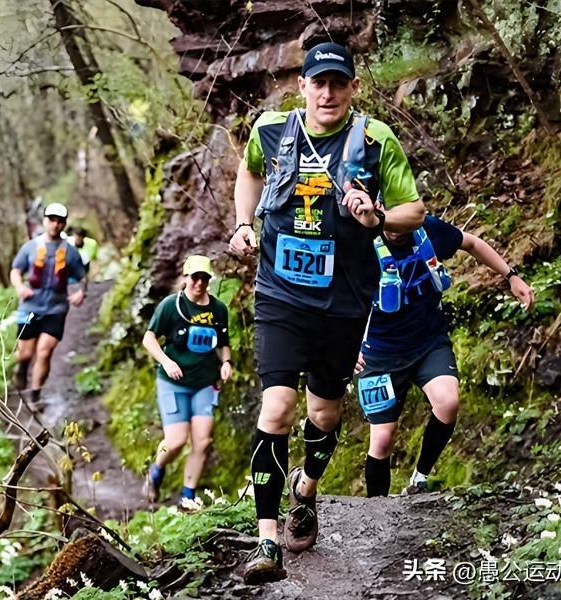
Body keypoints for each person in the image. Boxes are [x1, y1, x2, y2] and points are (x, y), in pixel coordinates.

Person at [228, 41, 426, 583]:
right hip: (280, 295)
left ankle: (307, 489)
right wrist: (243, 223)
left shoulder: (374, 140)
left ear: (353, 88)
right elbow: (248, 172)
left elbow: (414, 211)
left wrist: (378, 215)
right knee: (276, 409)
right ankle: (267, 541)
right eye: (319, 82)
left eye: (339, 83)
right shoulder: (271, 130)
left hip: (343, 304)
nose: (328, 93)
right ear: (303, 87)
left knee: (325, 415)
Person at [356, 216, 534, 497]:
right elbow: (332, 293)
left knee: (448, 402)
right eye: (390, 222)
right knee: (382, 440)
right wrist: (343, 346)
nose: (397, 230)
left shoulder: (427, 230)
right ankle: (376, 509)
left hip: (428, 343)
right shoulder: (358, 241)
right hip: (379, 355)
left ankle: (419, 478)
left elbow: (471, 243)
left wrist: (511, 276)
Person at [142, 255, 232, 508]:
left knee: (202, 441)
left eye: (204, 278)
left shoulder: (218, 309)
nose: (199, 283)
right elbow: (149, 338)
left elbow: (223, 343)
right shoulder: (171, 306)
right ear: (186, 277)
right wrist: (166, 361)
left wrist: (226, 362)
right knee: (176, 441)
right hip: (173, 383)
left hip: (205, 383)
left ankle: (188, 497)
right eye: (195, 277)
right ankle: (156, 471)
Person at [10, 203, 86, 406]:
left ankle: (35, 396)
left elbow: (82, 276)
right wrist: (19, 287)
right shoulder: (30, 247)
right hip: (29, 307)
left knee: (44, 352)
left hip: (56, 308)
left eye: (60, 221)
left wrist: (81, 292)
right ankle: (22, 367)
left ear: (64, 224)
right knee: (25, 353)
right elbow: (16, 270)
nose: (55, 225)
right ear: (44, 221)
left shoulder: (70, 252)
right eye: (52, 220)